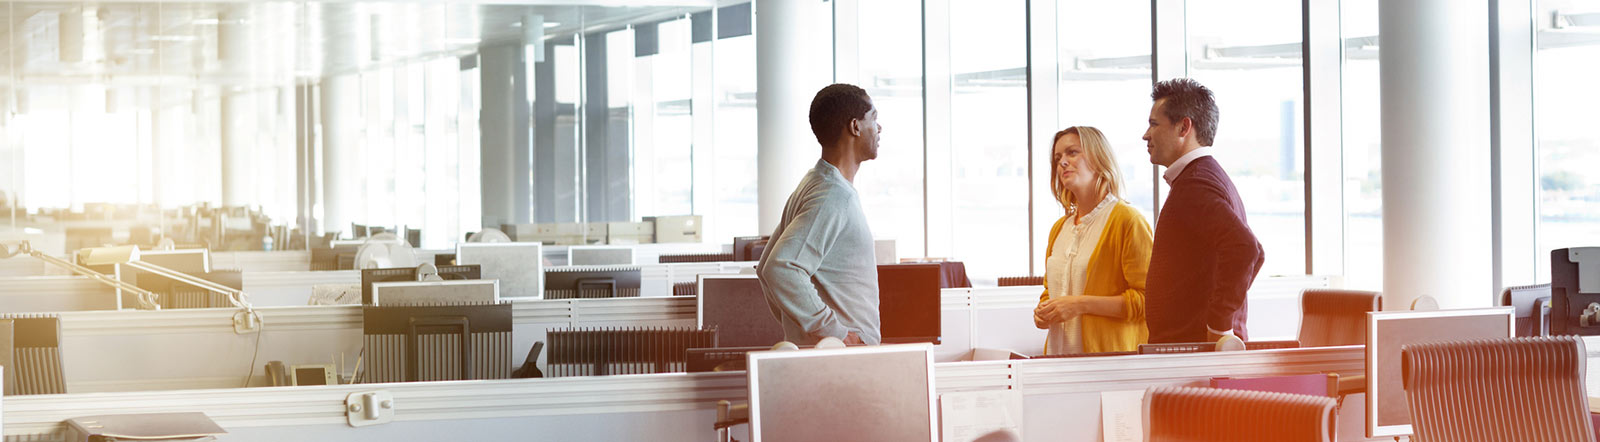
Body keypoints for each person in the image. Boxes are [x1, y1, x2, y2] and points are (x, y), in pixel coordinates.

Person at [756, 83, 883, 346]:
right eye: (874, 118)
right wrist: (835, 333)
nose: (879, 128)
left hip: (827, 352)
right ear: (855, 127)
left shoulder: (815, 183)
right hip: (840, 356)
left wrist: (801, 328)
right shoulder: (834, 195)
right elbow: (780, 268)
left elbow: (766, 265)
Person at [1140, 78, 1264, 344]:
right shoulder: (1208, 176)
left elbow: (1246, 248)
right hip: (1193, 348)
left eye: (1153, 124)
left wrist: (1218, 326)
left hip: (1192, 353)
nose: (1145, 135)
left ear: (1184, 126)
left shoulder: (1195, 184)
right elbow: (1256, 252)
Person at [1032, 126, 1154, 354]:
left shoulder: (1128, 221)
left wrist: (1079, 304)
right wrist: (1044, 312)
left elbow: (1148, 301)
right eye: (1058, 157)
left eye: (1072, 152)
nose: (1062, 162)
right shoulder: (1059, 229)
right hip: (1057, 361)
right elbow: (1051, 290)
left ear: (1099, 159)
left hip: (1108, 364)